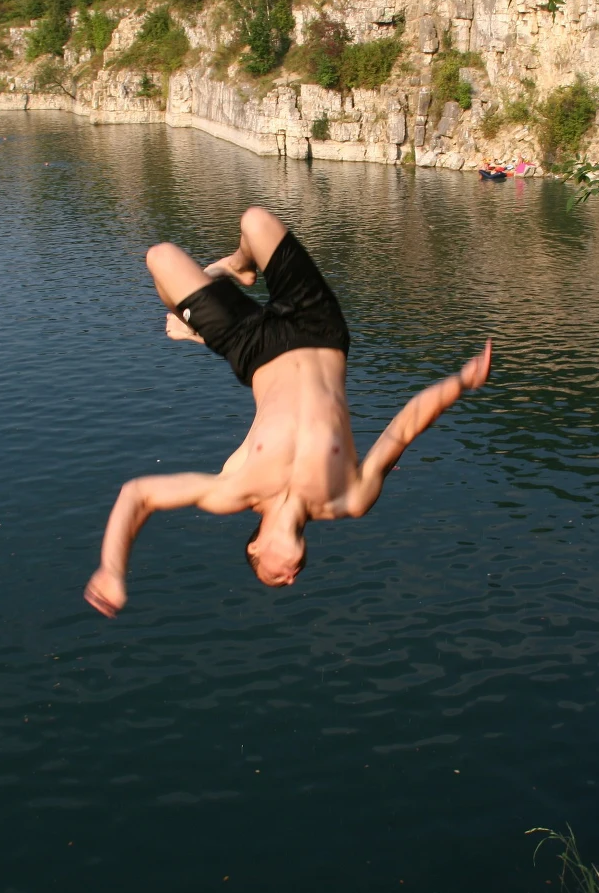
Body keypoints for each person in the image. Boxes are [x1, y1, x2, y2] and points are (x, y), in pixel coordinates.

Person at [84, 206, 493, 616]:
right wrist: (459, 383)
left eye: (276, 576)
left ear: (256, 546)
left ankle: (236, 269)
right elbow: (403, 430)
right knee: (256, 221)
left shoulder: (233, 488)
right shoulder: (349, 499)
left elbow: (138, 495)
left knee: (160, 256)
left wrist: (112, 569)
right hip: (319, 328)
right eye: (289, 581)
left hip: (251, 348)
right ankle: (211, 300)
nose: (292, 577)